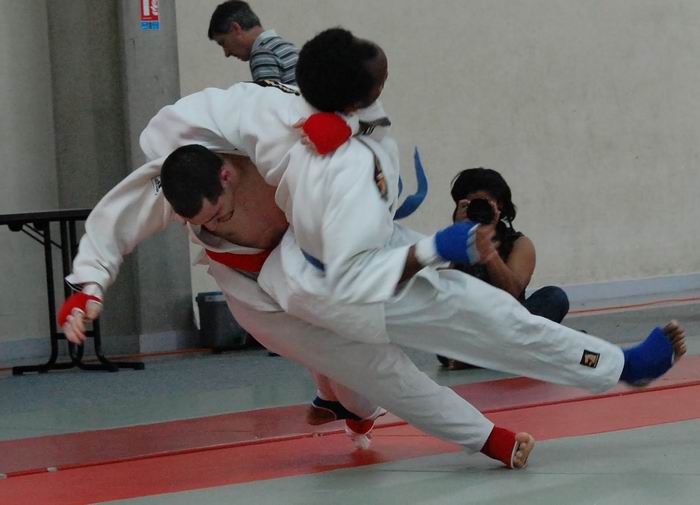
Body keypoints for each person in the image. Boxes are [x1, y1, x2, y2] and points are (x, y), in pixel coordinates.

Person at [60, 84, 535, 468]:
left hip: (317, 259)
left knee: (369, 359)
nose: (212, 227)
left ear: (227, 174)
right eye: (198, 223)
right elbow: (113, 223)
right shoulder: (172, 180)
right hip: (253, 291)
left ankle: (357, 407)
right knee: (352, 360)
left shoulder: (286, 143)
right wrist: (87, 288)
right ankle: (481, 435)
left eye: (220, 215)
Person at [437, 167, 570, 370]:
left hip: (511, 324)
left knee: (554, 297)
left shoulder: (519, 244)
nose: (478, 209)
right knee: (442, 337)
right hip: (471, 328)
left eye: (484, 203)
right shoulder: (454, 241)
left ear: (499, 205)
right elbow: (440, 293)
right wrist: (458, 237)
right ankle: (530, 350)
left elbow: (511, 291)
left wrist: (488, 250)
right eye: (471, 204)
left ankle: (482, 356)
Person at [208, 1, 298, 85]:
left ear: (236, 28)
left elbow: (268, 97)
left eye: (223, 43)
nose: (226, 54)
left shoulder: (262, 53)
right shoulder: (289, 48)